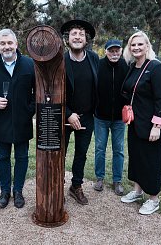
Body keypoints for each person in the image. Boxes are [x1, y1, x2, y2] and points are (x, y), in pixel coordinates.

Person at [0, 29, 35, 209]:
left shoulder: (29, 64)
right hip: (2, 121)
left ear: (16, 44)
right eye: (3, 44)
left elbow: (38, 91)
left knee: (22, 157)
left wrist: (31, 109)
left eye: (10, 43)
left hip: (23, 120)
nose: (7, 47)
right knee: (3, 157)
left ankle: (18, 190)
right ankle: (5, 191)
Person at [120, 31, 161, 215]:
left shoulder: (156, 68)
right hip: (135, 123)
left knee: (151, 162)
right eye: (133, 45)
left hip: (152, 126)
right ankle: (137, 191)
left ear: (147, 46)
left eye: (140, 44)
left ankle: (153, 199)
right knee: (137, 158)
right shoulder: (133, 66)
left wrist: (157, 126)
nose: (136, 48)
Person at [60, 19, 99, 205]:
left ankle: (76, 186)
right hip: (64, 116)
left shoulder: (93, 59)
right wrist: (68, 113)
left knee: (81, 154)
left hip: (87, 117)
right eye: (73, 34)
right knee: (60, 153)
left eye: (81, 35)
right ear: (67, 39)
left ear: (86, 39)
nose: (77, 37)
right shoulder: (59, 60)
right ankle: (58, 185)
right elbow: (52, 91)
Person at [93, 39, 129, 195]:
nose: (114, 53)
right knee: (100, 149)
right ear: (105, 51)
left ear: (120, 51)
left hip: (119, 118)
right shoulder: (98, 65)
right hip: (100, 116)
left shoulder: (126, 66)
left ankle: (117, 180)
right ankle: (99, 178)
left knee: (118, 150)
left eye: (117, 51)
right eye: (111, 51)